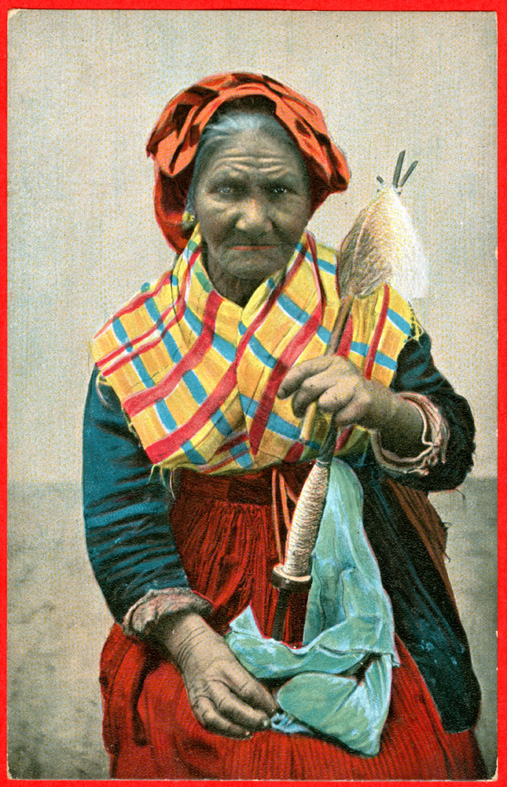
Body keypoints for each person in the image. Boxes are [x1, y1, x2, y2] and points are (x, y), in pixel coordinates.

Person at [83, 72, 486, 779]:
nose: (254, 218)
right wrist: (193, 645)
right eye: (228, 190)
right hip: (200, 589)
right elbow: (120, 513)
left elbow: (450, 448)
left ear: (310, 201)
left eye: (279, 192)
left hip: (359, 570)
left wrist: (384, 408)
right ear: (186, 203)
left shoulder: (364, 311)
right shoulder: (136, 344)